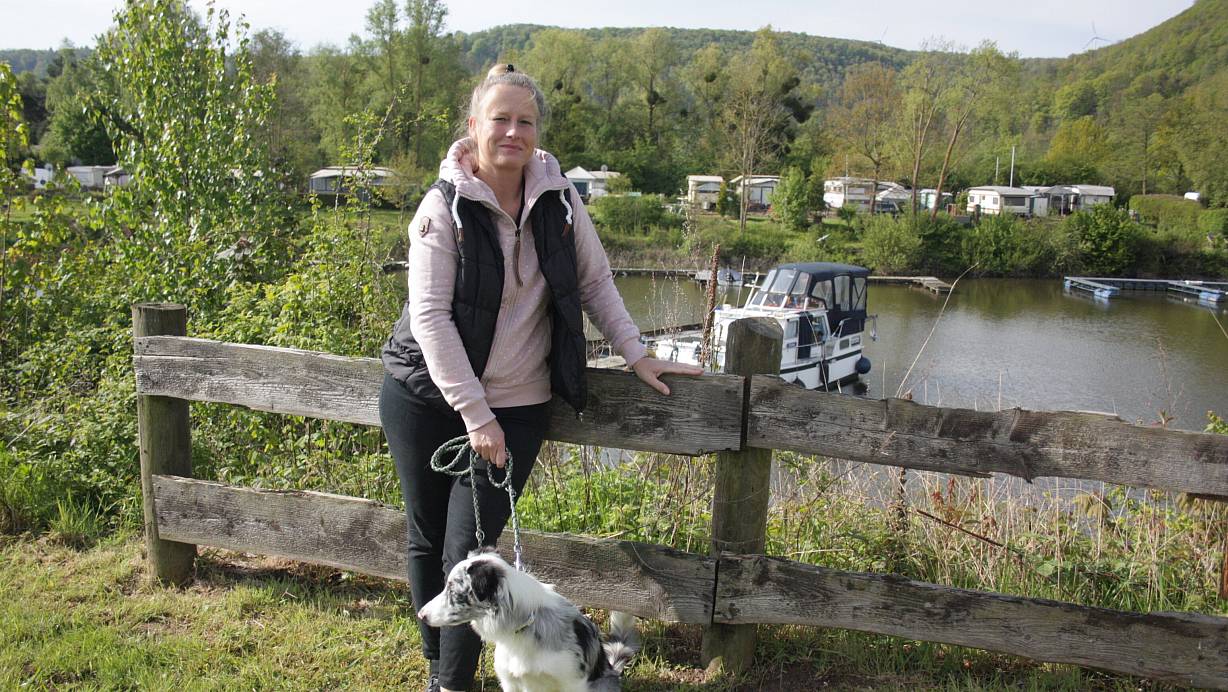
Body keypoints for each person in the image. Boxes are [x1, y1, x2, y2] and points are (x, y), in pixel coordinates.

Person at [378, 64, 703, 692]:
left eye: (525, 120)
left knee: (466, 548)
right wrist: (475, 414)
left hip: (520, 402)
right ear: (473, 127)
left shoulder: (560, 200)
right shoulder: (441, 207)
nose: (512, 131)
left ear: (538, 131)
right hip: (425, 391)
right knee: (425, 540)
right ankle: (441, 672)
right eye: (499, 118)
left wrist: (636, 353)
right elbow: (430, 319)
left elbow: (595, 282)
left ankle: (449, 683)